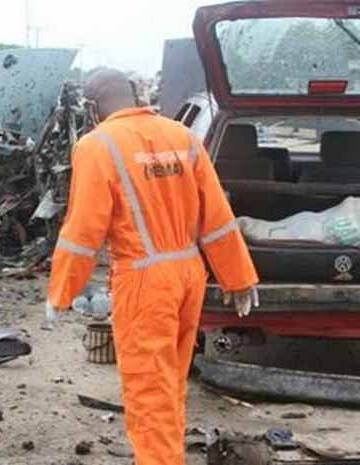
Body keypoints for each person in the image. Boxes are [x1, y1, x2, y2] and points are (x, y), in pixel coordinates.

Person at [45, 69, 259, 465]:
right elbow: (217, 215)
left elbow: (83, 229)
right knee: (170, 384)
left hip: (144, 281)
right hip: (189, 274)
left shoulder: (97, 145)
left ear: (93, 108)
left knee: (149, 393)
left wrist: (62, 291)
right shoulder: (181, 136)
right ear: (135, 94)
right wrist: (238, 276)